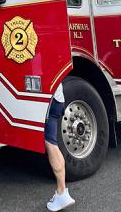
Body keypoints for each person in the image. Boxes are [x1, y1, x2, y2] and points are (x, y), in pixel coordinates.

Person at [45, 83, 75, 211]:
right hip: (57, 99)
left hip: (50, 101)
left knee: (51, 144)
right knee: (52, 143)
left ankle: (61, 192)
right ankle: (62, 192)